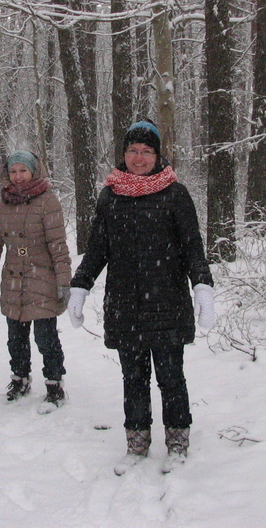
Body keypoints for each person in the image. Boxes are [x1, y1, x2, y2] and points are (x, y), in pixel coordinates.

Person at [68, 119, 216, 474]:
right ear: (123, 155)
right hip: (125, 304)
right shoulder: (110, 195)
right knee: (133, 378)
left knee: (170, 376)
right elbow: (98, 248)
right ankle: (137, 443)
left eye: (146, 151)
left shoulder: (175, 194)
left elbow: (192, 245)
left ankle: (177, 440)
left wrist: (203, 285)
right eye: (133, 151)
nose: (139, 157)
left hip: (167, 301)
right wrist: (80, 284)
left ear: (157, 155)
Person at [0, 150, 71, 410]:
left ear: (33, 171)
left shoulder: (48, 201)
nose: (18, 177)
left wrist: (64, 280)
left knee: (45, 337)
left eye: (23, 171)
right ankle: (19, 378)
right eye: (13, 171)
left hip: (42, 278)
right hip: (13, 280)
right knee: (15, 337)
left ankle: (54, 383)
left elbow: (58, 245)